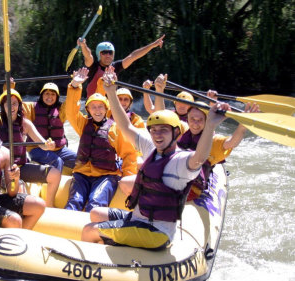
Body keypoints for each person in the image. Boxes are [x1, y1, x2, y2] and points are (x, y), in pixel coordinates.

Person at [82, 68, 230, 250]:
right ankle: (117, 243)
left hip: (156, 232)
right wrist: (111, 92)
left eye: (164, 130)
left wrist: (210, 126)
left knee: (89, 231)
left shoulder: (181, 161)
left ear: (176, 133)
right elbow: (125, 125)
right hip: (139, 218)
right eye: (154, 129)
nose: (158, 134)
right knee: (96, 213)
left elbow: (199, 158)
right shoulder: (151, 146)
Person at [64, 67, 138, 212]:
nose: (97, 110)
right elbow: (71, 111)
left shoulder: (115, 129)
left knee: (95, 204)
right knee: (74, 202)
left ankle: (92, 232)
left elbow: (129, 154)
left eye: (100, 107)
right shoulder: (83, 124)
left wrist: (128, 179)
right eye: (93, 107)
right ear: (88, 110)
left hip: (106, 176)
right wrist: (74, 86)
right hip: (82, 174)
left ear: (106, 109)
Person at [179, 97, 260, 200]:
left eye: (200, 120)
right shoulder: (182, 130)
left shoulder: (213, 141)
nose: (195, 124)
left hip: (191, 188)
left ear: (207, 120)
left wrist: (242, 126)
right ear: (187, 119)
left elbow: (231, 142)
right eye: (192, 119)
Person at [0, 89, 62, 208]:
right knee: (19, 191)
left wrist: (48, 145)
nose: (11, 107)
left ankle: (50, 206)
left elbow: (41, 142)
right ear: (3, 106)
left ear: (19, 105)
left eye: (15, 103)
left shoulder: (25, 124)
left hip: (22, 167)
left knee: (55, 174)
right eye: (8, 104)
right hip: (4, 170)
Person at [77, 35, 165, 98]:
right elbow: (88, 56)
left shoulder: (116, 66)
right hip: (93, 106)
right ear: (99, 54)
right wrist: (84, 46)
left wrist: (153, 45)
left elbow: (133, 56)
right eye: (104, 52)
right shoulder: (93, 66)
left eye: (110, 52)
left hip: (110, 107)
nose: (108, 55)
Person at [20, 82, 77, 174]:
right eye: (47, 93)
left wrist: (75, 86)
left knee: (79, 160)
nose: (49, 97)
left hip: (59, 149)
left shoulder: (61, 110)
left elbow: (72, 102)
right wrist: (9, 87)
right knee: (57, 161)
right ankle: (55, 183)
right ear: (42, 95)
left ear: (57, 97)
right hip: (36, 149)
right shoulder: (31, 108)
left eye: (53, 94)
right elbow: (13, 104)